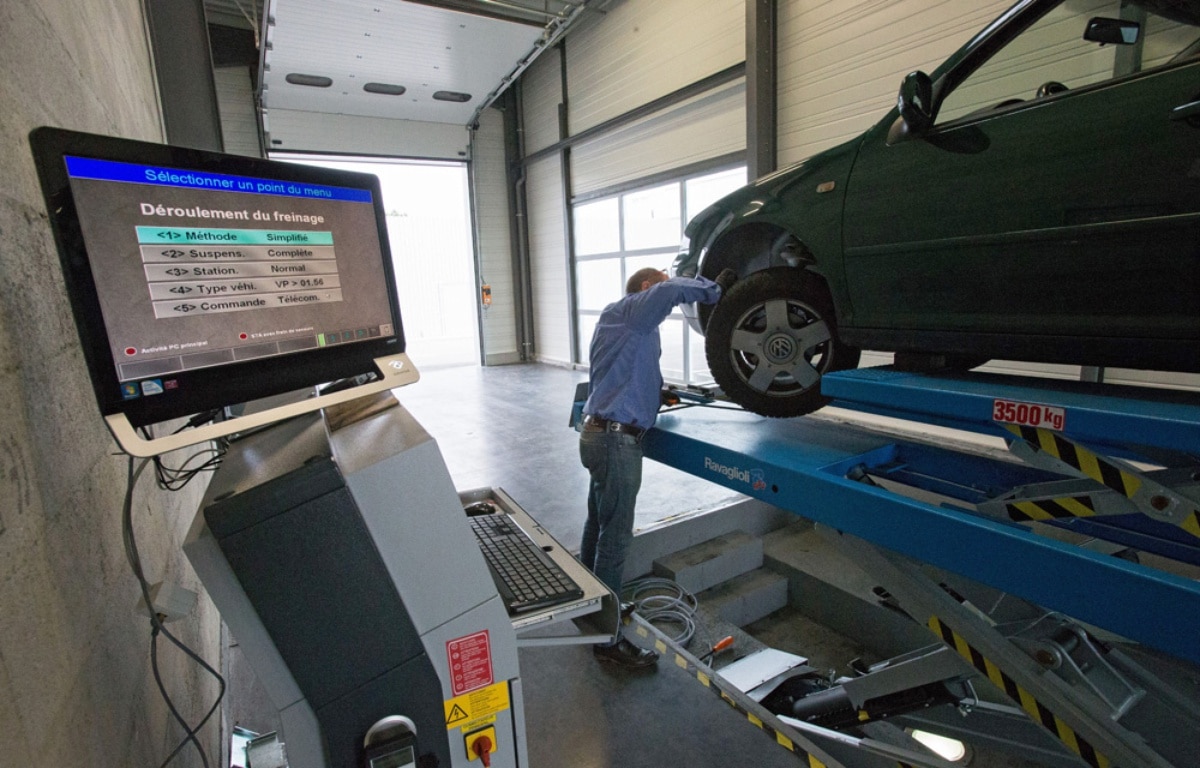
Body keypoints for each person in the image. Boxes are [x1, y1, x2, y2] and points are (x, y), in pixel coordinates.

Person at [579, 266, 736, 668]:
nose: (666, 292)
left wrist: (657, 391)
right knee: (615, 539)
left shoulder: (619, 324)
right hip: (616, 441)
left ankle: (590, 607)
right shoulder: (633, 309)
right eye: (661, 283)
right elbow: (676, 291)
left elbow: (621, 375)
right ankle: (608, 639)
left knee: (598, 522)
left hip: (598, 433)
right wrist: (719, 289)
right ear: (647, 288)